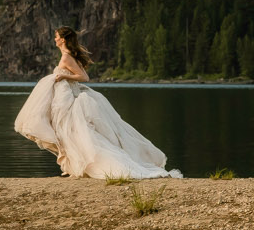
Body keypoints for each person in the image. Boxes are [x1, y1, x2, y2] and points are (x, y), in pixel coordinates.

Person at [13, 26, 182, 179]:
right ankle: (73, 166)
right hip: (65, 97)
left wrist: (64, 76)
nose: (55, 39)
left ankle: (82, 165)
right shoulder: (67, 56)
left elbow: (84, 77)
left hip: (71, 100)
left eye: (56, 36)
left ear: (63, 39)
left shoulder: (66, 57)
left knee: (74, 133)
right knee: (70, 134)